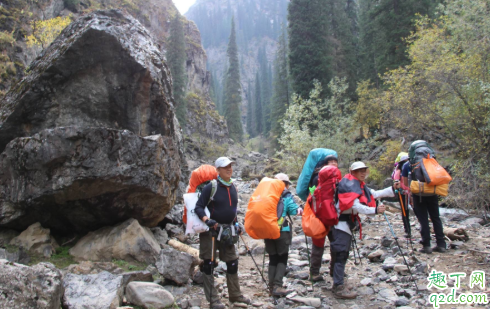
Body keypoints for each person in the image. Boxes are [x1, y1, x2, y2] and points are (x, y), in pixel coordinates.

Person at [331, 162, 399, 299]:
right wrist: (374, 210)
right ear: (352, 171)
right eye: (359, 171)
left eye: (364, 170)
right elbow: (356, 206)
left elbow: (373, 194)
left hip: (345, 225)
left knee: (341, 254)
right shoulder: (349, 185)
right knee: (341, 254)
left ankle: (338, 282)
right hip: (341, 225)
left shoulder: (357, 184)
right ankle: (337, 286)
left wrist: (392, 189)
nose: (362, 173)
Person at [194, 157, 250, 309]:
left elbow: (233, 210)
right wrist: (207, 220)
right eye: (225, 167)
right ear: (217, 170)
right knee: (209, 264)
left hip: (228, 230)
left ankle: (235, 295)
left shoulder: (233, 186)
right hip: (211, 231)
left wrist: (237, 224)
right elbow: (198, 207)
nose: (229, 169)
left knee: (232, 262)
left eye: (230, 166)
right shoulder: (211, 187)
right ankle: (213, 301)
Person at [264, 173, 303, 297]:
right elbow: (292, 210)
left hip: (268, 230)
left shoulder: (266, 194)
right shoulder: (285, 196)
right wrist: (299, 209)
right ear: (284, 184)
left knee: (273, 257)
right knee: (282, 257)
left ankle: (271, 286)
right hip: (282, 230)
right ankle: (277, 285)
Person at [401, 157, 446, 254]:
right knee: (436, 218)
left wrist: (411, 194)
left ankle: (427, 245)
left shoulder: (407, 165)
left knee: (423, 219)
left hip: (418, 195)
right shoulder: (432, 162)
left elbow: (405, 184)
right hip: (433, 193)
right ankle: (441, 244)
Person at [308, 155, 342, 282]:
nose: (333, 163)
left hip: (328, 215)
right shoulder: (318, 178)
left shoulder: (338, 178)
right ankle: (320, 271)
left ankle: (329, 271)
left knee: (332, 244)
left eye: (335, 161)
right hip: (326, 216)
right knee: (321, 245)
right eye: (330, 162)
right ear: (324, 164)